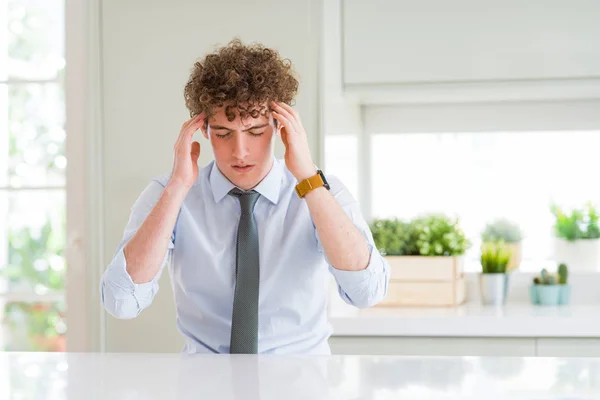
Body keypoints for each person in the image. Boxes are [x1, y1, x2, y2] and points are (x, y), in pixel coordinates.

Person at [100, 38, 389, 355]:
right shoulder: (168, 193)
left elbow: (367, 293)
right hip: (205, 383)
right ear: (204, 130)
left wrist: (308, 179)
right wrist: (178, 187)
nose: (240, 151)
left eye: (255, 132)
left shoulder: (321, 190)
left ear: (280, 127)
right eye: (223, 134)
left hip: (300, 383)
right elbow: (122, 302)